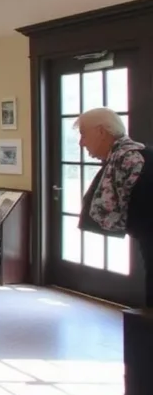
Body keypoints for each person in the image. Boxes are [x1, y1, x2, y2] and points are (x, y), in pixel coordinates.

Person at [76, 107, 153, 306]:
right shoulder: (123, 157)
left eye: (84, 134)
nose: (81, 142)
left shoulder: (129, 159)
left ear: (101, 132)